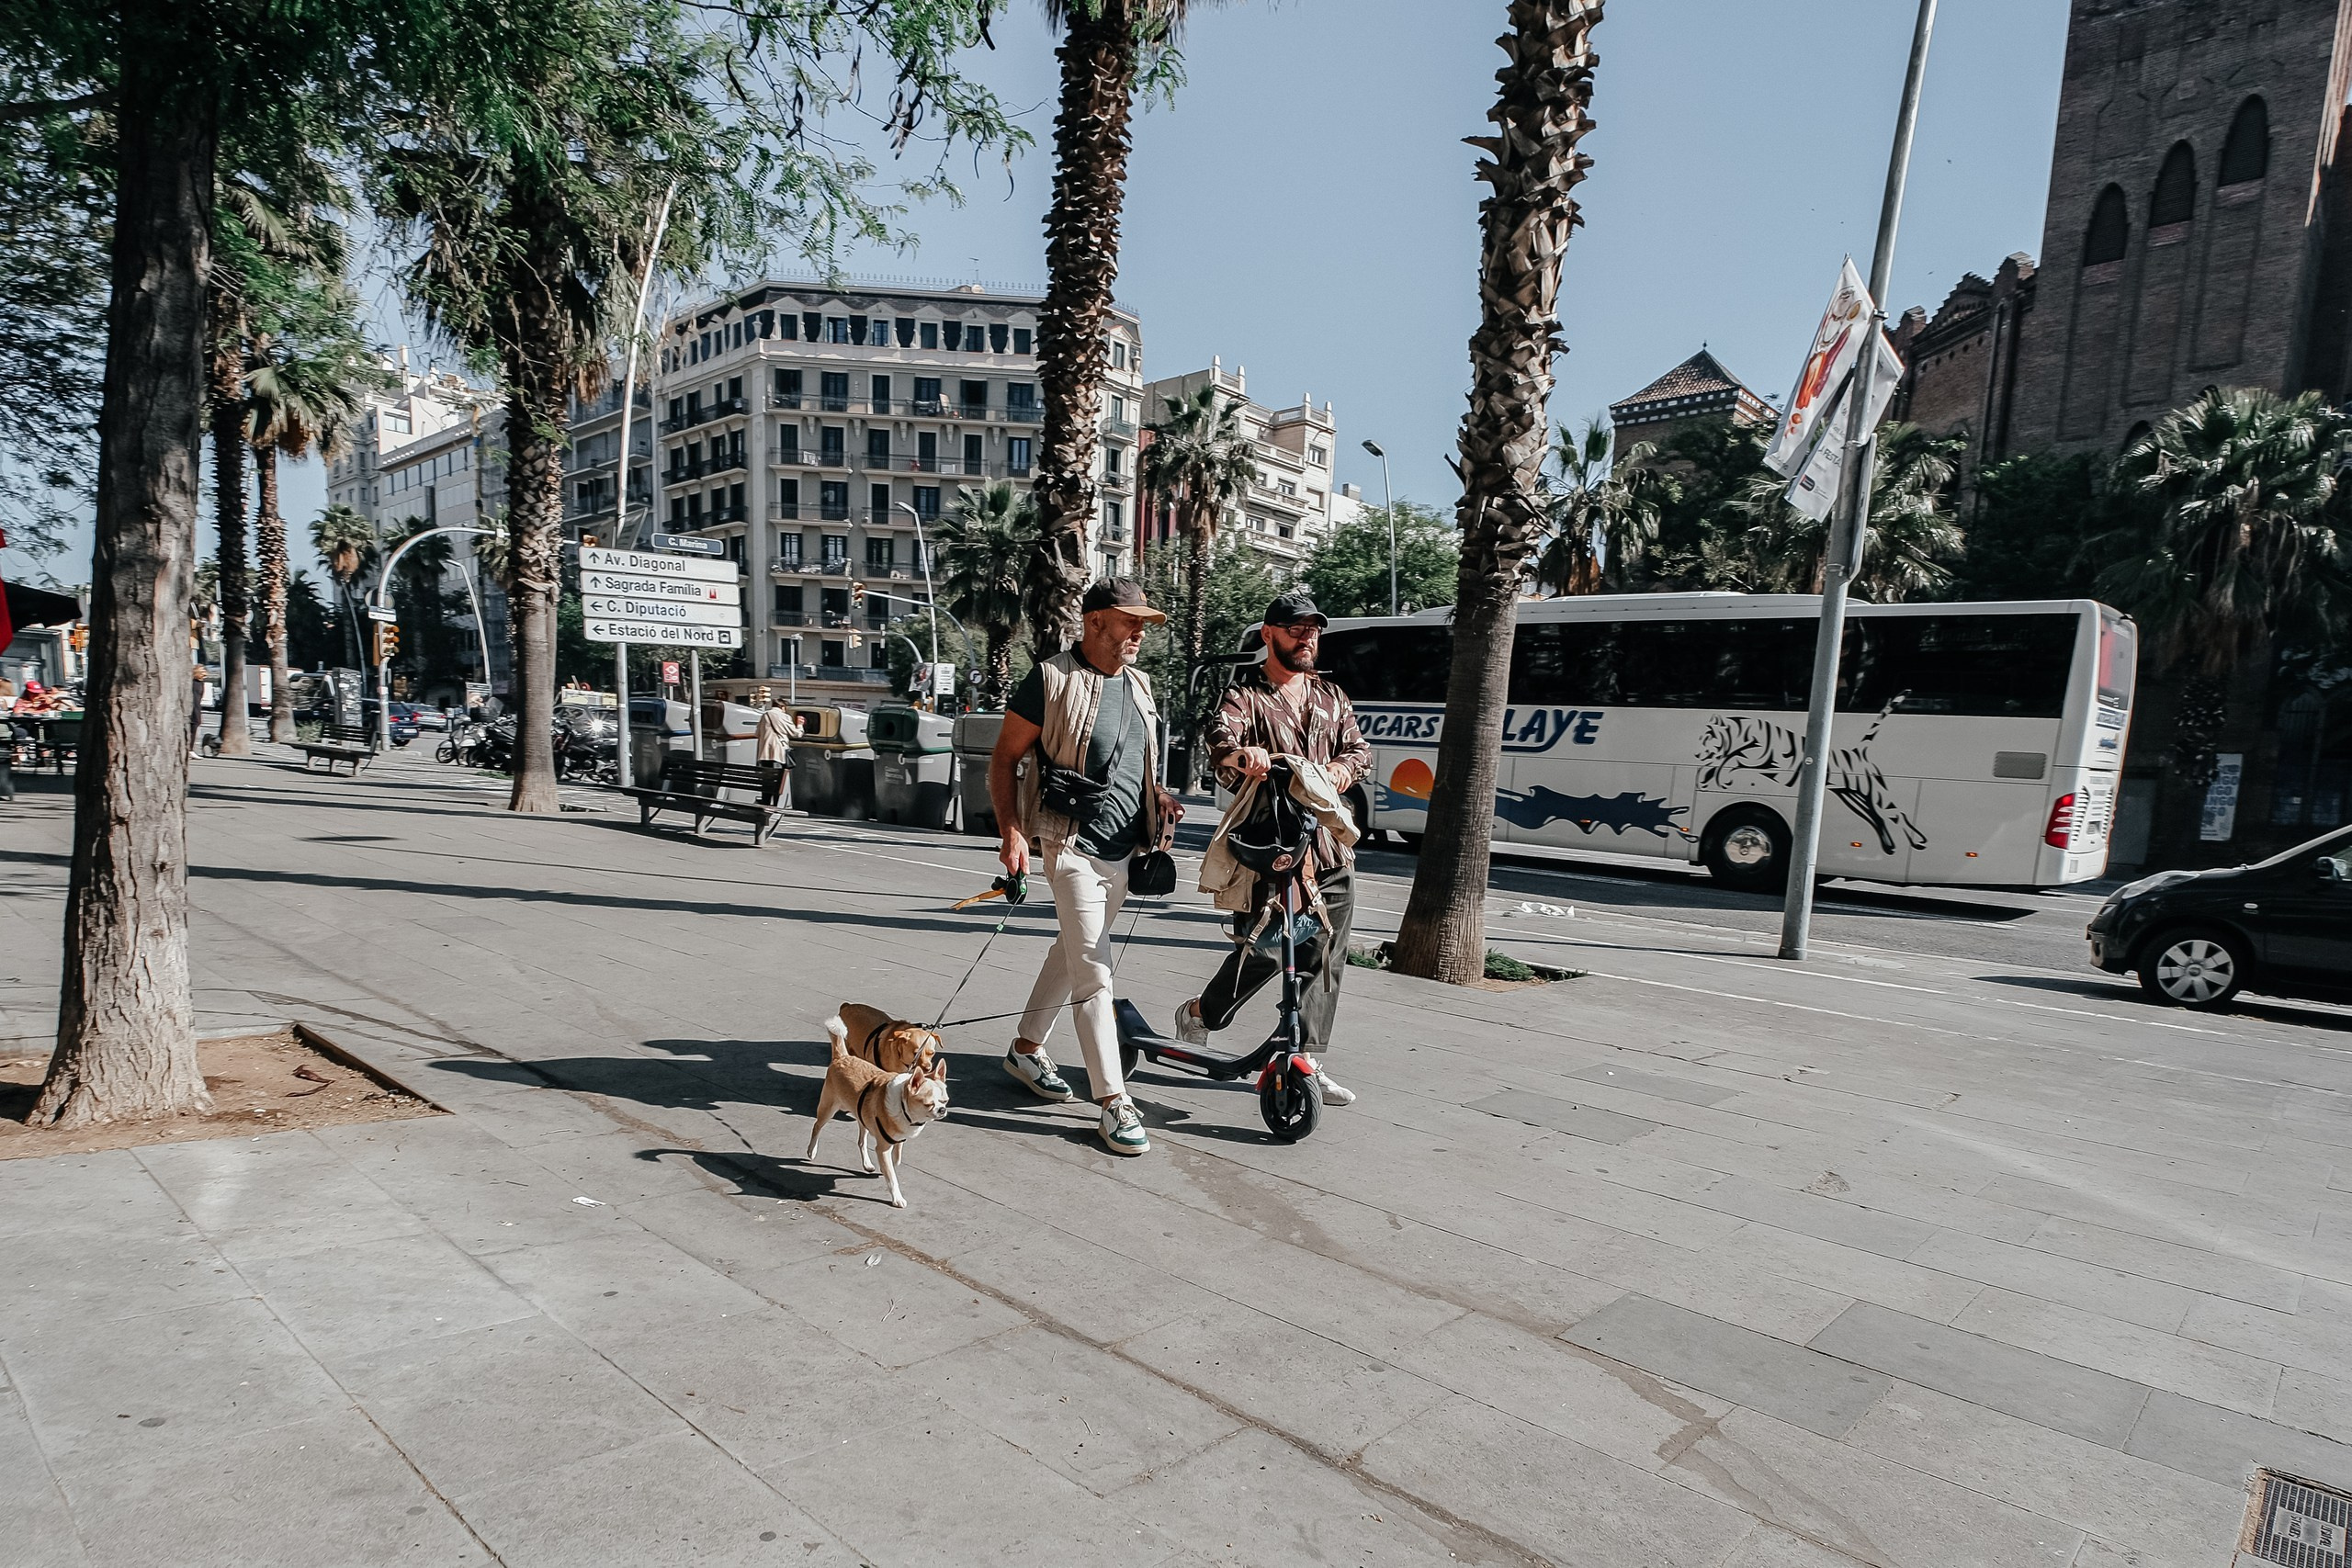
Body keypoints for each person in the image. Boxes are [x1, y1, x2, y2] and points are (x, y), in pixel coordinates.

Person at [987, 579, 1182, 1156]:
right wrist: (1011, 832)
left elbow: (1136, 764)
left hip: (1126, 850)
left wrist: (1161, 797)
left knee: (1071, 953)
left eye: (1144, 623)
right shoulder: (1051, 679)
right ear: (1095, 621)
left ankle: (1025, 1049)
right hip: (1068, 843)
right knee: (1095, 967)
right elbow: (1004, 758)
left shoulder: (1142, 686)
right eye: (1130, 621)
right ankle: (1113, 1101)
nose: (1140, 633)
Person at [1173, 587, 1371, 1105]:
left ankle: (1304, 1058)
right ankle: (1204, 1013)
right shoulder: (1247, 694)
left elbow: (1359, 751)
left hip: (1329, 854)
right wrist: (1245, 757)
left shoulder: (1332, 697)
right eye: (1296, 628)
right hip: (1273, 853)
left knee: (1325, 953)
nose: (1307, 637)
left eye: (1313, 629)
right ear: (1269, 635)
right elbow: (1221, 743)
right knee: (1264, 949)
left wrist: (1337, 770)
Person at [753, 686, 802, 807]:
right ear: (783, 707)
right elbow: (796, 733)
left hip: (764, 754)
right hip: (778, 754)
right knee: (777, 782)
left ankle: (765, 804)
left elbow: (757, 734)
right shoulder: (784, 717)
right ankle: (775, 805)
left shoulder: (765, 715)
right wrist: (800, 725)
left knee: (766, 782)